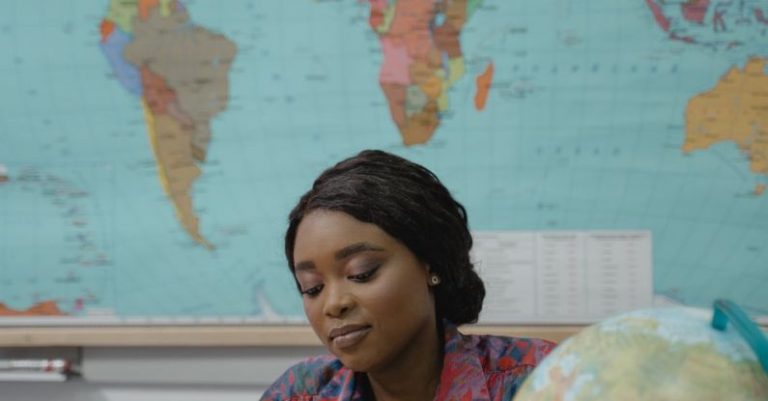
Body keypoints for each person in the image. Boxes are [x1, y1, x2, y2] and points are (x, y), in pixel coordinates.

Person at [261, 150, 555, 401]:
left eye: (361, 273)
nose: (333, 304)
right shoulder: (300, 393)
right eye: (312, 288)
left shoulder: (545, 380)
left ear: (431, 264)